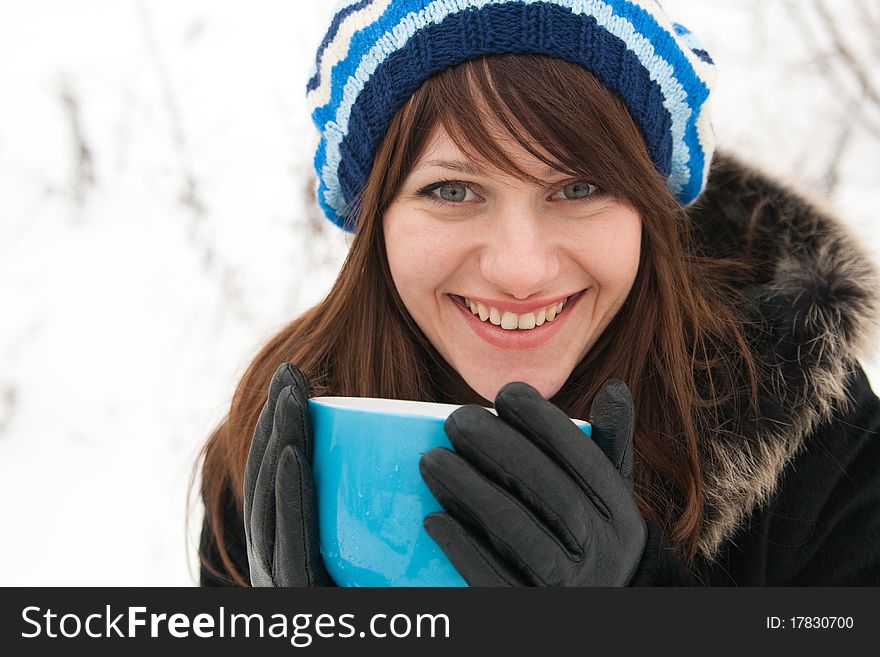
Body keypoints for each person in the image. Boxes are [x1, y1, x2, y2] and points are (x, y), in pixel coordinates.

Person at [196, 0, 880, 587]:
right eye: (453, 190)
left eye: (578, 188)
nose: (520, 270)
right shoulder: (290, 446)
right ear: (377, 219)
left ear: (648, 208)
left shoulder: (810, 433)